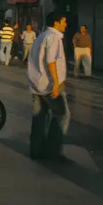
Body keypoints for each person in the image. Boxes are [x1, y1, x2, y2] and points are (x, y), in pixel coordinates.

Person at [28, 11, 71, 161]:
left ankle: (36, 151)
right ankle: (53, 151)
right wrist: (56, 83)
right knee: (62, 115)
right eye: (64, 21)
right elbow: (51, 61)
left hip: (36, 84)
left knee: (40, 117)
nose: (66, 25)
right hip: (49, 84)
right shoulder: (54, 38)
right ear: (56, 22)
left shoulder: (41, 36)